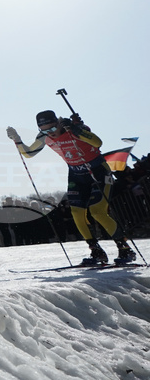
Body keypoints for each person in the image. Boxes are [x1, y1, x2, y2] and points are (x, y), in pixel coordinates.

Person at [8, 111, 137, 266]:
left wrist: (76, 130)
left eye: (52, 128)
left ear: (58, 123)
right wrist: (17, 139)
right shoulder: (43, 136)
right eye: (45, 131)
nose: (51, 133)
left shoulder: (72, 128)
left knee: (97, 211)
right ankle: (96, 251)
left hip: (98, 172)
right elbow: (29, 153)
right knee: (76, 213)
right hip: (76, 175)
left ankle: (125, 248)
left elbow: (97, 143)